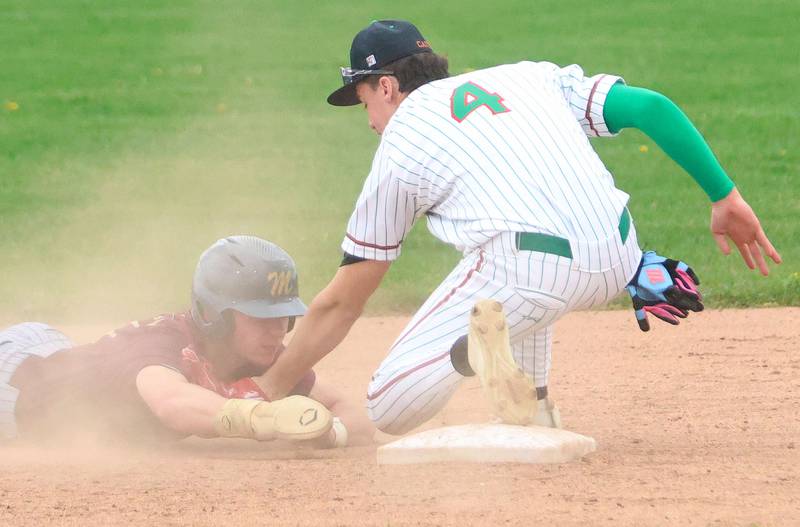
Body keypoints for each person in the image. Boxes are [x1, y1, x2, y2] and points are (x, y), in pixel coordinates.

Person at [255, 20, 781, 435]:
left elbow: (344, 301)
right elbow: (649, 106)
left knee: (387, 404)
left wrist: (271, 385)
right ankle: (539, 408)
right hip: (623, 253)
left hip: (528, 274)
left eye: (365, 100)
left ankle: (476, 353)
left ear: (387, 86)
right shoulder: (528, 76)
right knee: (512, 277)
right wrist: (724, 197)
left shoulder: (402, 139)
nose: (368, 119)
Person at [0, 236, 373, 446]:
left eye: (282, 317)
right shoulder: (161, 343)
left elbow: (346, 408)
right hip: (13, 384)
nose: (275, 332)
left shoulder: (258, 352)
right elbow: (171, 402)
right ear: (215, 315)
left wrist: (328, 433)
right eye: (259, 317)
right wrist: (267, 416)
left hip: (54, 354)